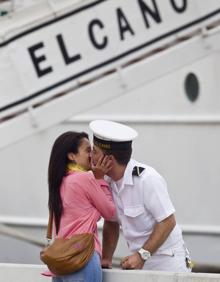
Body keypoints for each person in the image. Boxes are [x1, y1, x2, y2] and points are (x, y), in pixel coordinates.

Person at [89, 120, 192, 272]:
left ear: (109, 160)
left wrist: (142, 255)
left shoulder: (147, 179)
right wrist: (106, 259)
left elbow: (168, 221)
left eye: (95, 151)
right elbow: (111, 222)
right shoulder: (107, 181)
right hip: (138, 262)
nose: (91, 156)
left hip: (167, 263)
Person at [44, 131, 115, 281]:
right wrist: (100, 179)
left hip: (60, 261)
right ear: (72, 156)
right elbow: (110, 212)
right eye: (88, 150)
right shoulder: (85, 179)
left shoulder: (59, 182)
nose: (92, 156)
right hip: (82, 257)